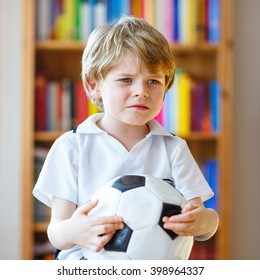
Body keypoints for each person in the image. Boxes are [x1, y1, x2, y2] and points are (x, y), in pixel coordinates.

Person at [33, 15, 219, 260]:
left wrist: (204, 222)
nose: (141, 91)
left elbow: (205, 222)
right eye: (126, 80)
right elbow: (56, 232)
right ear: (93, 85)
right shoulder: (71, 146)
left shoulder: (173, 148)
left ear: (166, 86)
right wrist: (76, 231)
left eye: (153, 81)